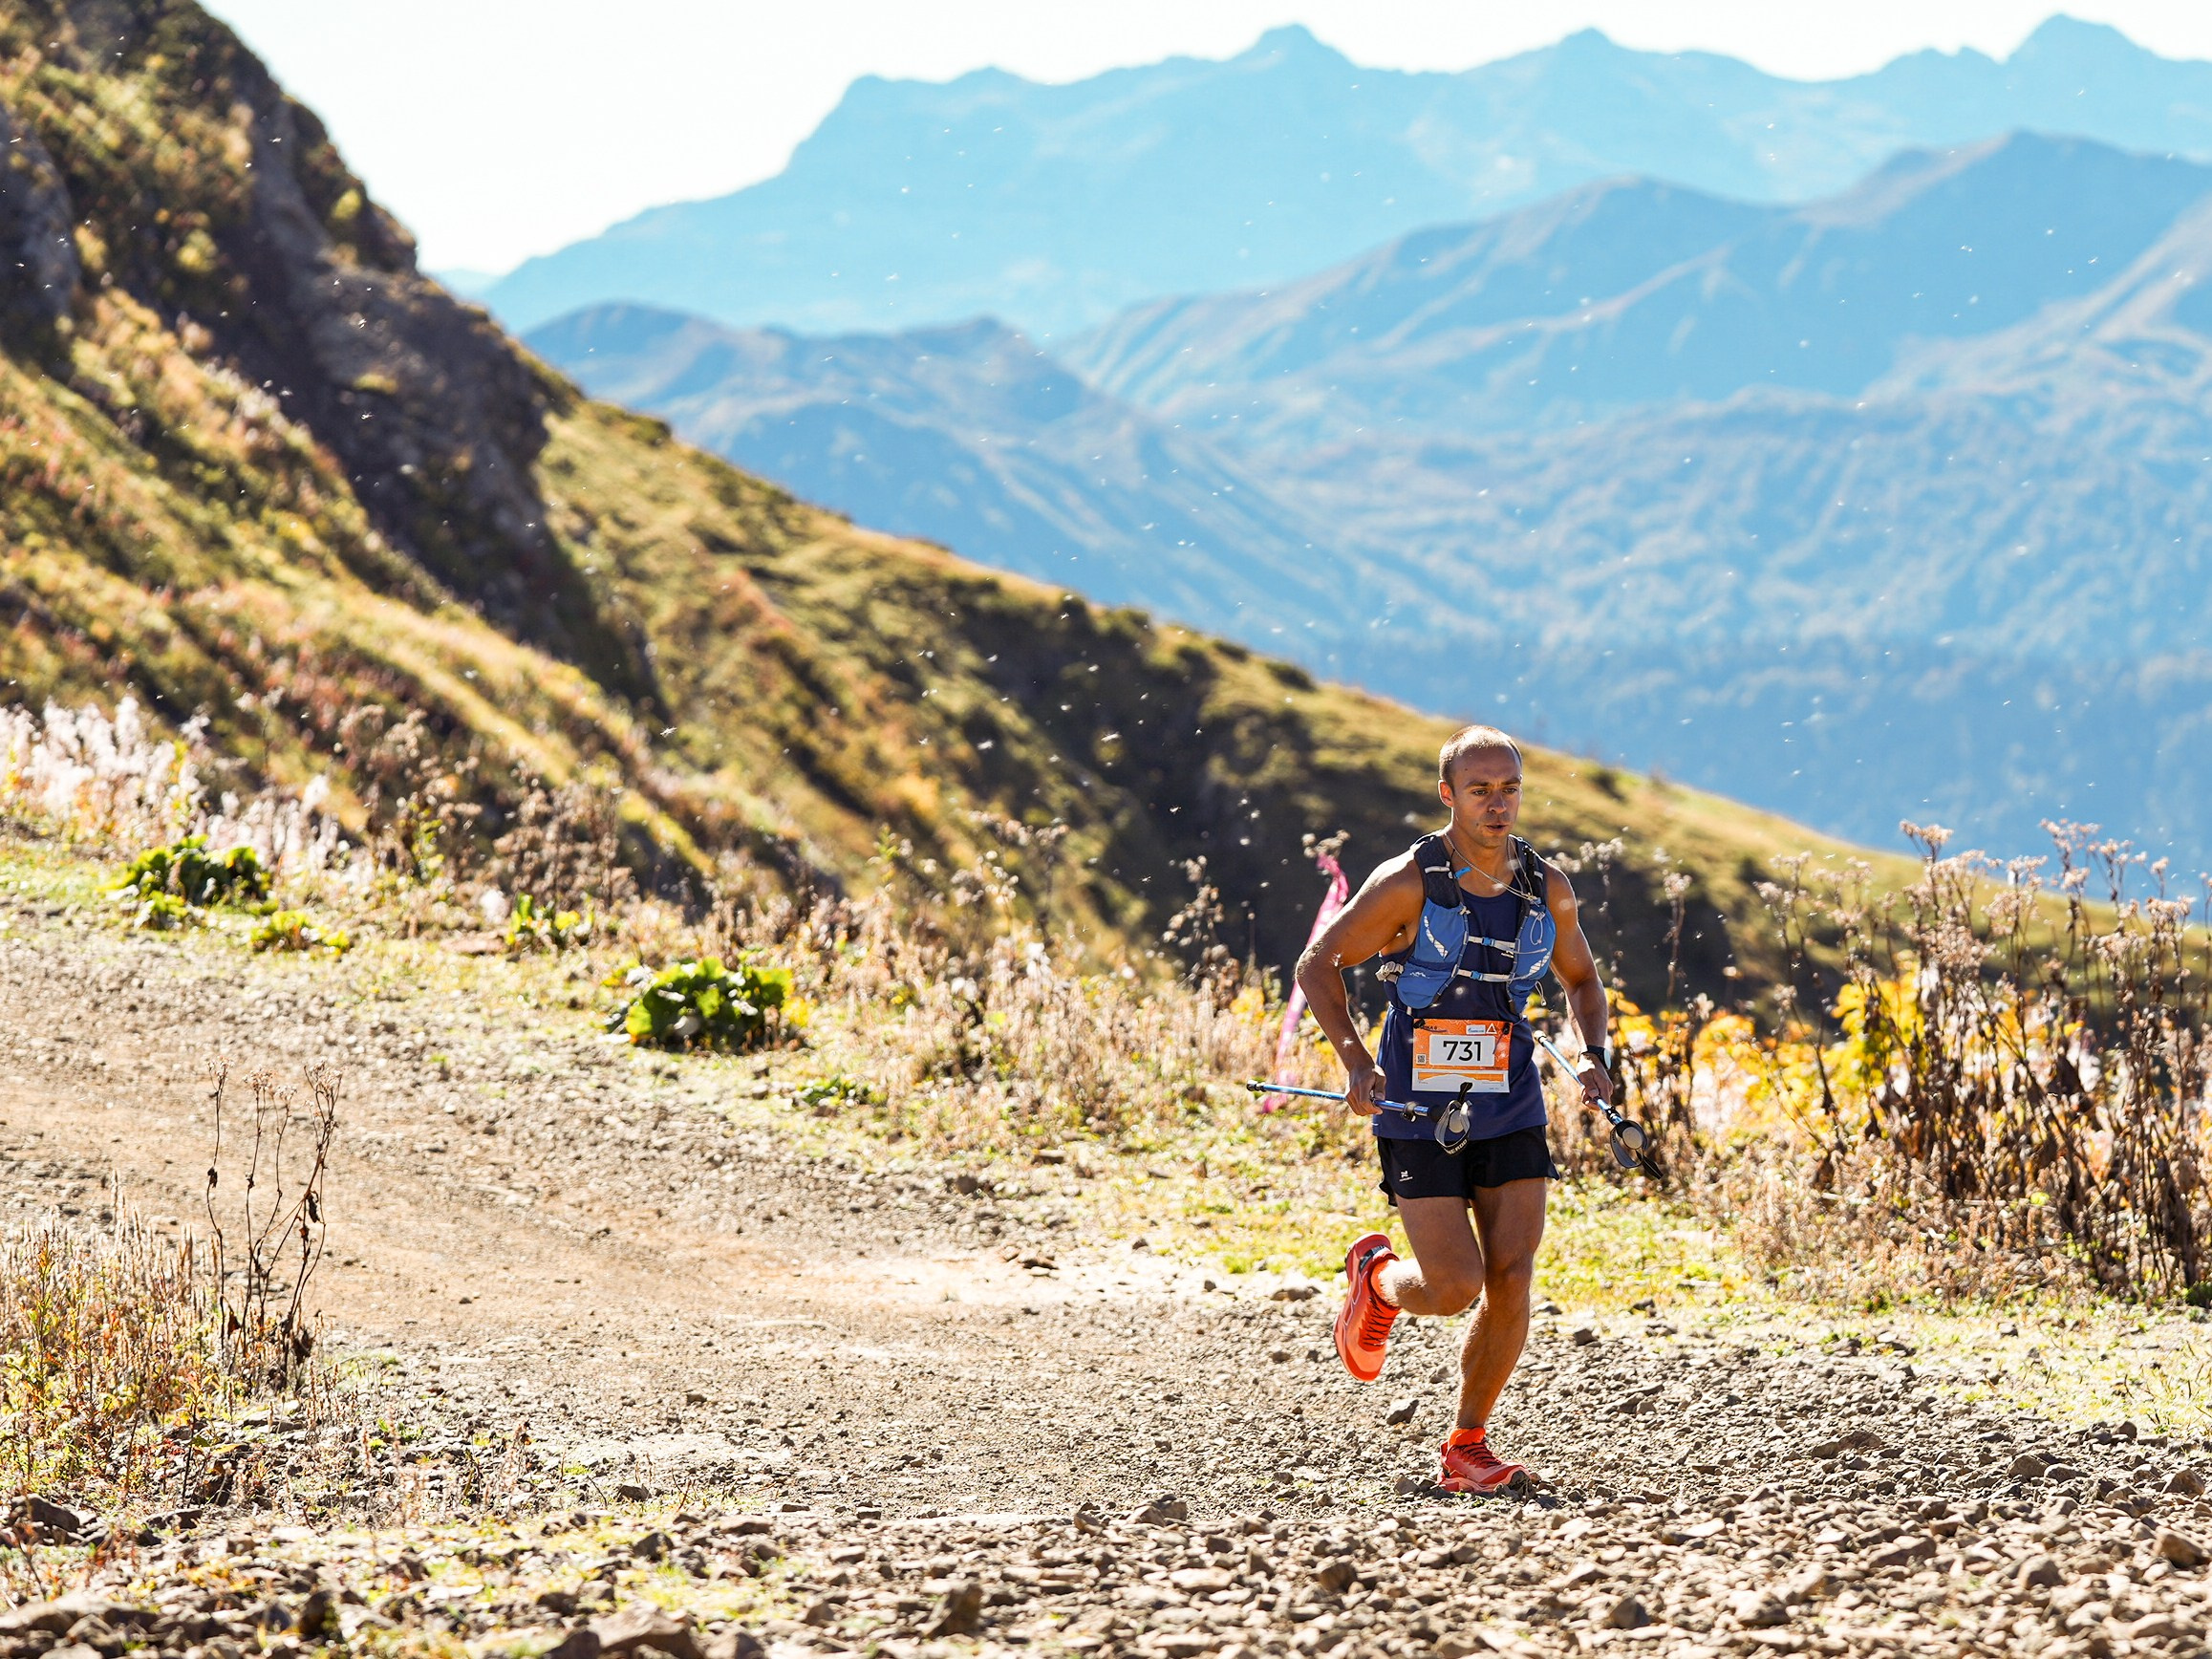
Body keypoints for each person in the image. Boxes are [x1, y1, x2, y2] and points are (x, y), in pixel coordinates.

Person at [1293, 724, 1613, 1495]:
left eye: (1509, 788)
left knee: (1511, 1274)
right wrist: (1354, 1061)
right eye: (1479, 790)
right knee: (1452, 1286)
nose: (1497, 804)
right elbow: (1318, 965)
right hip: (1412, 1107)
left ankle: (1466, 1444)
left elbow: (1581, 982)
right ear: (1448, 795)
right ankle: (1376, 1283)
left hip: (1510, 1105)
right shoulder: (1408, 882)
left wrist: (1594, 1055)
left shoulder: (1547, 887)